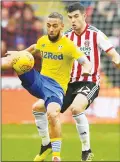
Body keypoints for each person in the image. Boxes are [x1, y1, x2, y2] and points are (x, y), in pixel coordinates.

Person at [32, 3, 120, 162]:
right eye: (70, 17)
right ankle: (46, 145)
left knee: (76, 108)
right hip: (67, 84)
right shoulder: (65, 37)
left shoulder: (96, 34)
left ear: (84, 16)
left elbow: (114, 55)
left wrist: (116, 60)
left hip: (89, 82)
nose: (73, 20)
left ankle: (87, 150)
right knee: (38, 107)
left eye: (76, 16)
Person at [1, 12, 92, 162]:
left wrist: (87, 70)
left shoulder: (69, 46)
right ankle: (46, 146)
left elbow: (84, 61)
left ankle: (54, 154)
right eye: (48, 25)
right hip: (39, 80)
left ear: (62, 26)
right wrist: (19, 53)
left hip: (56, 88)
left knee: (49, 112)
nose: (51, 29)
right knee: (16, 59)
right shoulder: (43, 40)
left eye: (55, 26)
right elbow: (34, 47)